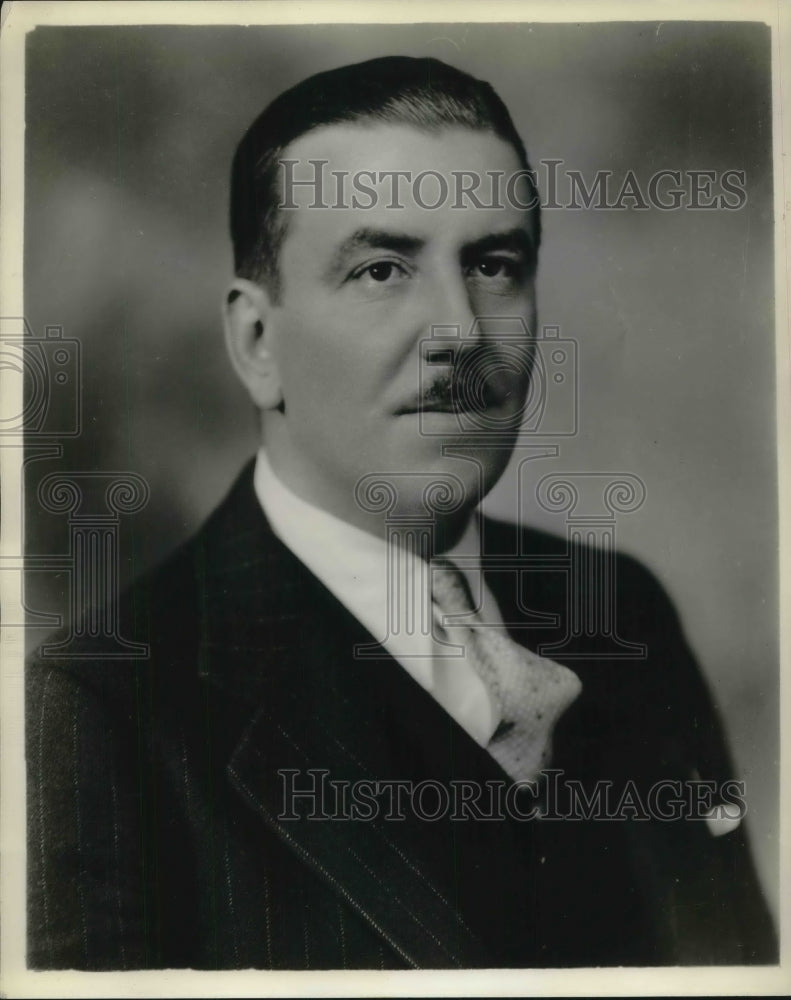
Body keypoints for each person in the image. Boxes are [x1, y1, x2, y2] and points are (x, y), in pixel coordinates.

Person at [26, 55, 776, 970]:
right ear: (257, 343)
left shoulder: (620, 612)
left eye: (495, 265)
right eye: (382, 269)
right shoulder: (98, 714)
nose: (460, 329)